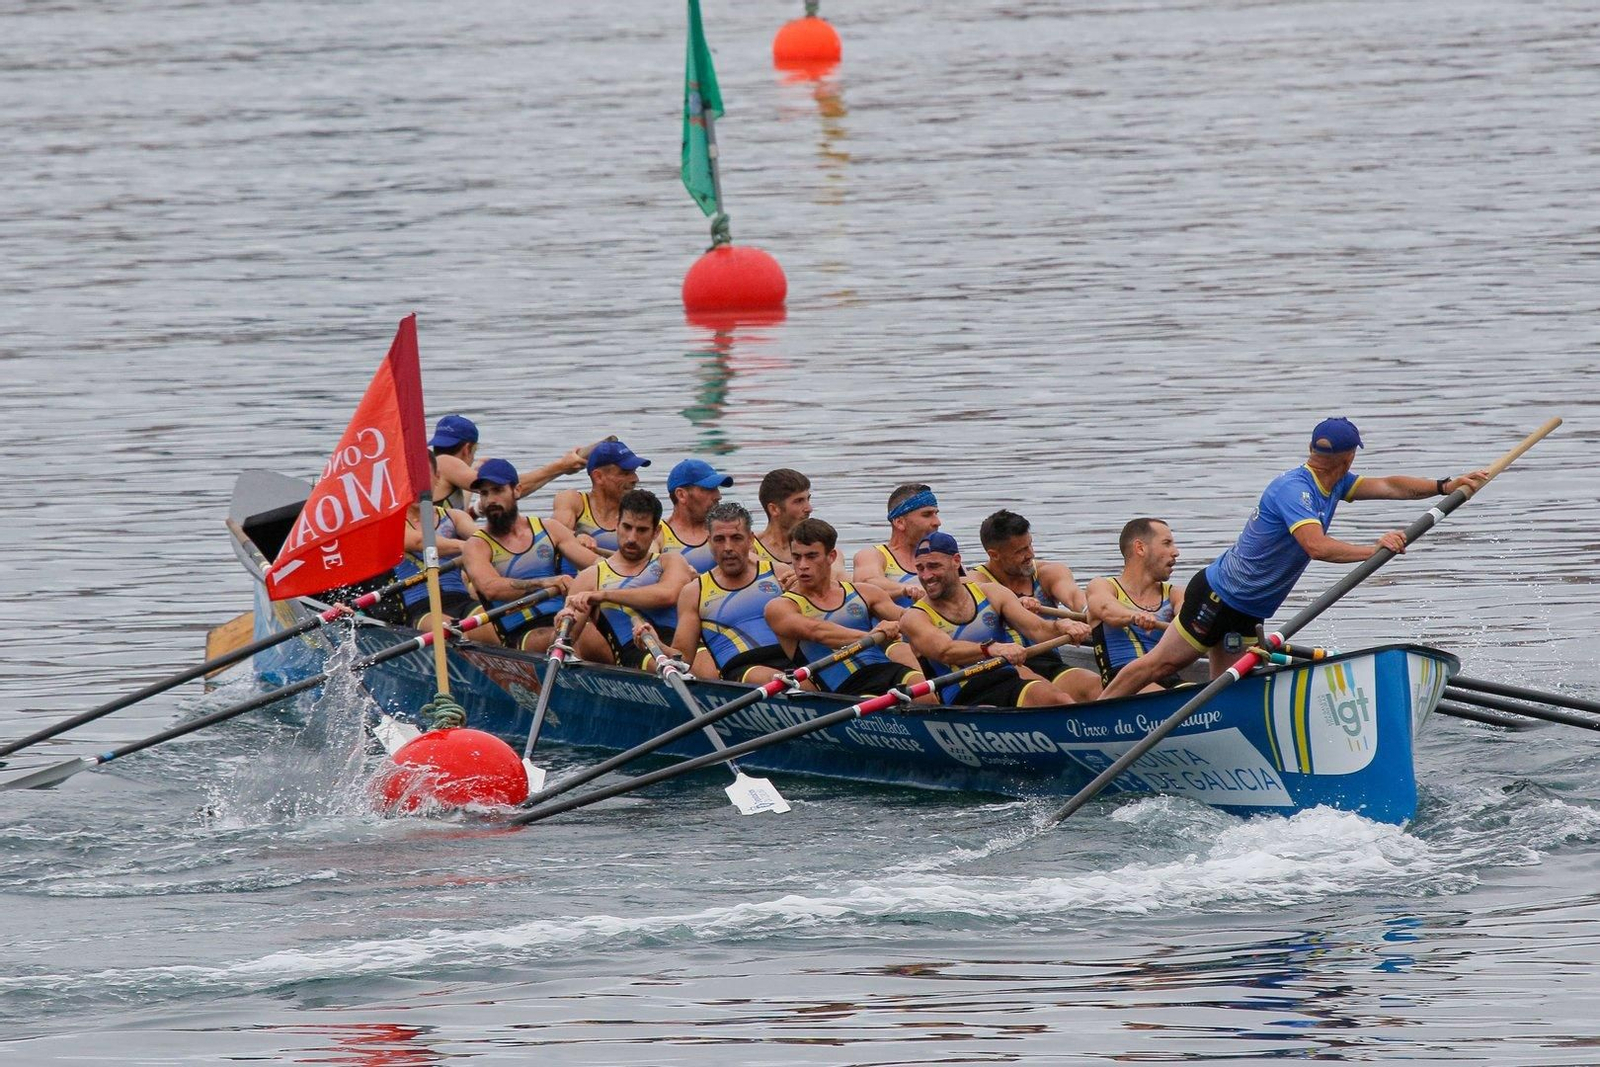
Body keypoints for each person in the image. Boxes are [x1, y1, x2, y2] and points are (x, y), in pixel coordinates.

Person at [1100, 417, 1490, 697]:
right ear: (1349, 455)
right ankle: (1098, 711)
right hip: (1217, 598)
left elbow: (1389, 485)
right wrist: (1373, 550)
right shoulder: (1294, 490)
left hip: (1248, 610)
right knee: (1163, 665)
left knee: (1226, 690)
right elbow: (1316, 546)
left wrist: (1444, 485)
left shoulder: (1335, 482)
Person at [898, 533, 1083, 707]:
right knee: (1042, 702)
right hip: (963, 692)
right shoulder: (915, 616)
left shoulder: (992, 593)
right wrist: (990, 648)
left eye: (934, 566)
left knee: (1059, 699)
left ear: (956, 561)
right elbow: (945, 651)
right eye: (920, 568)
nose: (926, 576)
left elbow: (1038, 629)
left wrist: (1062, 626)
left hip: (1006, 676)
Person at [764, 518, 934, 703]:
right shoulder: (781, 607)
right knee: (879, 706)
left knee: (924, 693)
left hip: (887, 670)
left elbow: (906, 618)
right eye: (796, 557)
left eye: (811, 556)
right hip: (844, 688)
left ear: (831, 557)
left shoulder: (863, 592)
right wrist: (873, 635)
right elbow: (818, 631)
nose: (802, 565)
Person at [460, 459, 591, 652]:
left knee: (595, 633)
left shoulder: (550, 529)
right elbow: (490, 589)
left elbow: (597, 565)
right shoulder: (477, 545)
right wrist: (543, 583)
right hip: (523, 632)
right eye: (484, 493)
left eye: (497, 490)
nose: (489, 501)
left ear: (517, 491)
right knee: (573, 638)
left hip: (564, 616)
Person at [969, 509, 1099, 699]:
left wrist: (1093, 611)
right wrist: (1013, 601)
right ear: (994, 554)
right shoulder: (976, 581)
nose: (1030, 554)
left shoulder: (1049, 572)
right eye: (1020, 551)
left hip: (1048, 661)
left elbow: (1075, 598)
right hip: (1004, 667)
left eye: (1030, 545)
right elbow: (974, 594)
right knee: (1052, 697)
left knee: (1096, 687)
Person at [559, 489, 696, 670]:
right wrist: (562, 625)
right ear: (617, 524)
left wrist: (604, 595)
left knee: (704, 666)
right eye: (627, 527)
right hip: (636, 656)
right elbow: (566, 640)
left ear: (656, 532)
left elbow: (668, 595)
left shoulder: (670, 561)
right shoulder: (589, 577)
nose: (632, 538)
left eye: (642, 530)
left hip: (678, 650)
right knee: (659, 664)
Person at [671, 502, 793, 684]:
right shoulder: (694, 592)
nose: (728, 547)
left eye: (736, 538)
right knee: (778, 680)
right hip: (742, 670)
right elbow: (682, 659)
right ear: (709, 541)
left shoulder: (779, 573)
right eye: (719, 539)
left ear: (751, 540)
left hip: (792, 663)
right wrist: (654, 644)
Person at [1086, 518, 1183, 691]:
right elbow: (1107, 609)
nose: (1176, 552)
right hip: (1122, 685)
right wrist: (1134, 616)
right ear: (1140, 548)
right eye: (1167, 543)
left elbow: (1190, 617)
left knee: (1198, 694)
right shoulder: (1103, 586)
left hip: (1168, 680)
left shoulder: (1176, 594)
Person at [427, 414, 586, 515]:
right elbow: (511, 489)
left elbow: (453, 522)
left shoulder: (441, 470)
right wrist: (561, 466)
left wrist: (476, 511)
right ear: (468, 448)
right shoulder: (444, 461)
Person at [550, 439, 651, 568]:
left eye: (634, 472)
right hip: (572, 584)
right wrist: (577, 536)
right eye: (625, 473)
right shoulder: (573, 500)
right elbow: (555, 536)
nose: (635, 479)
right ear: (598, 477)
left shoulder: (637, 513)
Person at [393, 489, 479, 633]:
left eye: (422, 480)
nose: (417, 488)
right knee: (452, 632)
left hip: (460, 599)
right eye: (412, 483)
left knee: (492, 627)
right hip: (421, 607)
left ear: (436, 479)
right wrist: (466, 546)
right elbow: (419, 542)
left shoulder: (455, 517)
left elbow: (482, 539)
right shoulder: (392, 524)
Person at [853, 483, 942, 607]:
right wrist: (907, 590)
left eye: (936, 514)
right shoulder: (873, 555)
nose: (937, 522)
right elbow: (866, 584)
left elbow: (966, 585)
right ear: (900, 522)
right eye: (926, 515)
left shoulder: (944, 555)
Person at [657, 458, 733, 573]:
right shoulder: (657, 535)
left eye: (716, 489)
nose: (718, 496)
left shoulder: (729, 532)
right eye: (709, 489)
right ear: (681, 495)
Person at [753, 468, 813, 567]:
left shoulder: (819, 547)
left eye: (808, 499)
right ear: (774, 509)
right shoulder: (749, 550)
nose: (809, 509)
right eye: (799, 501)